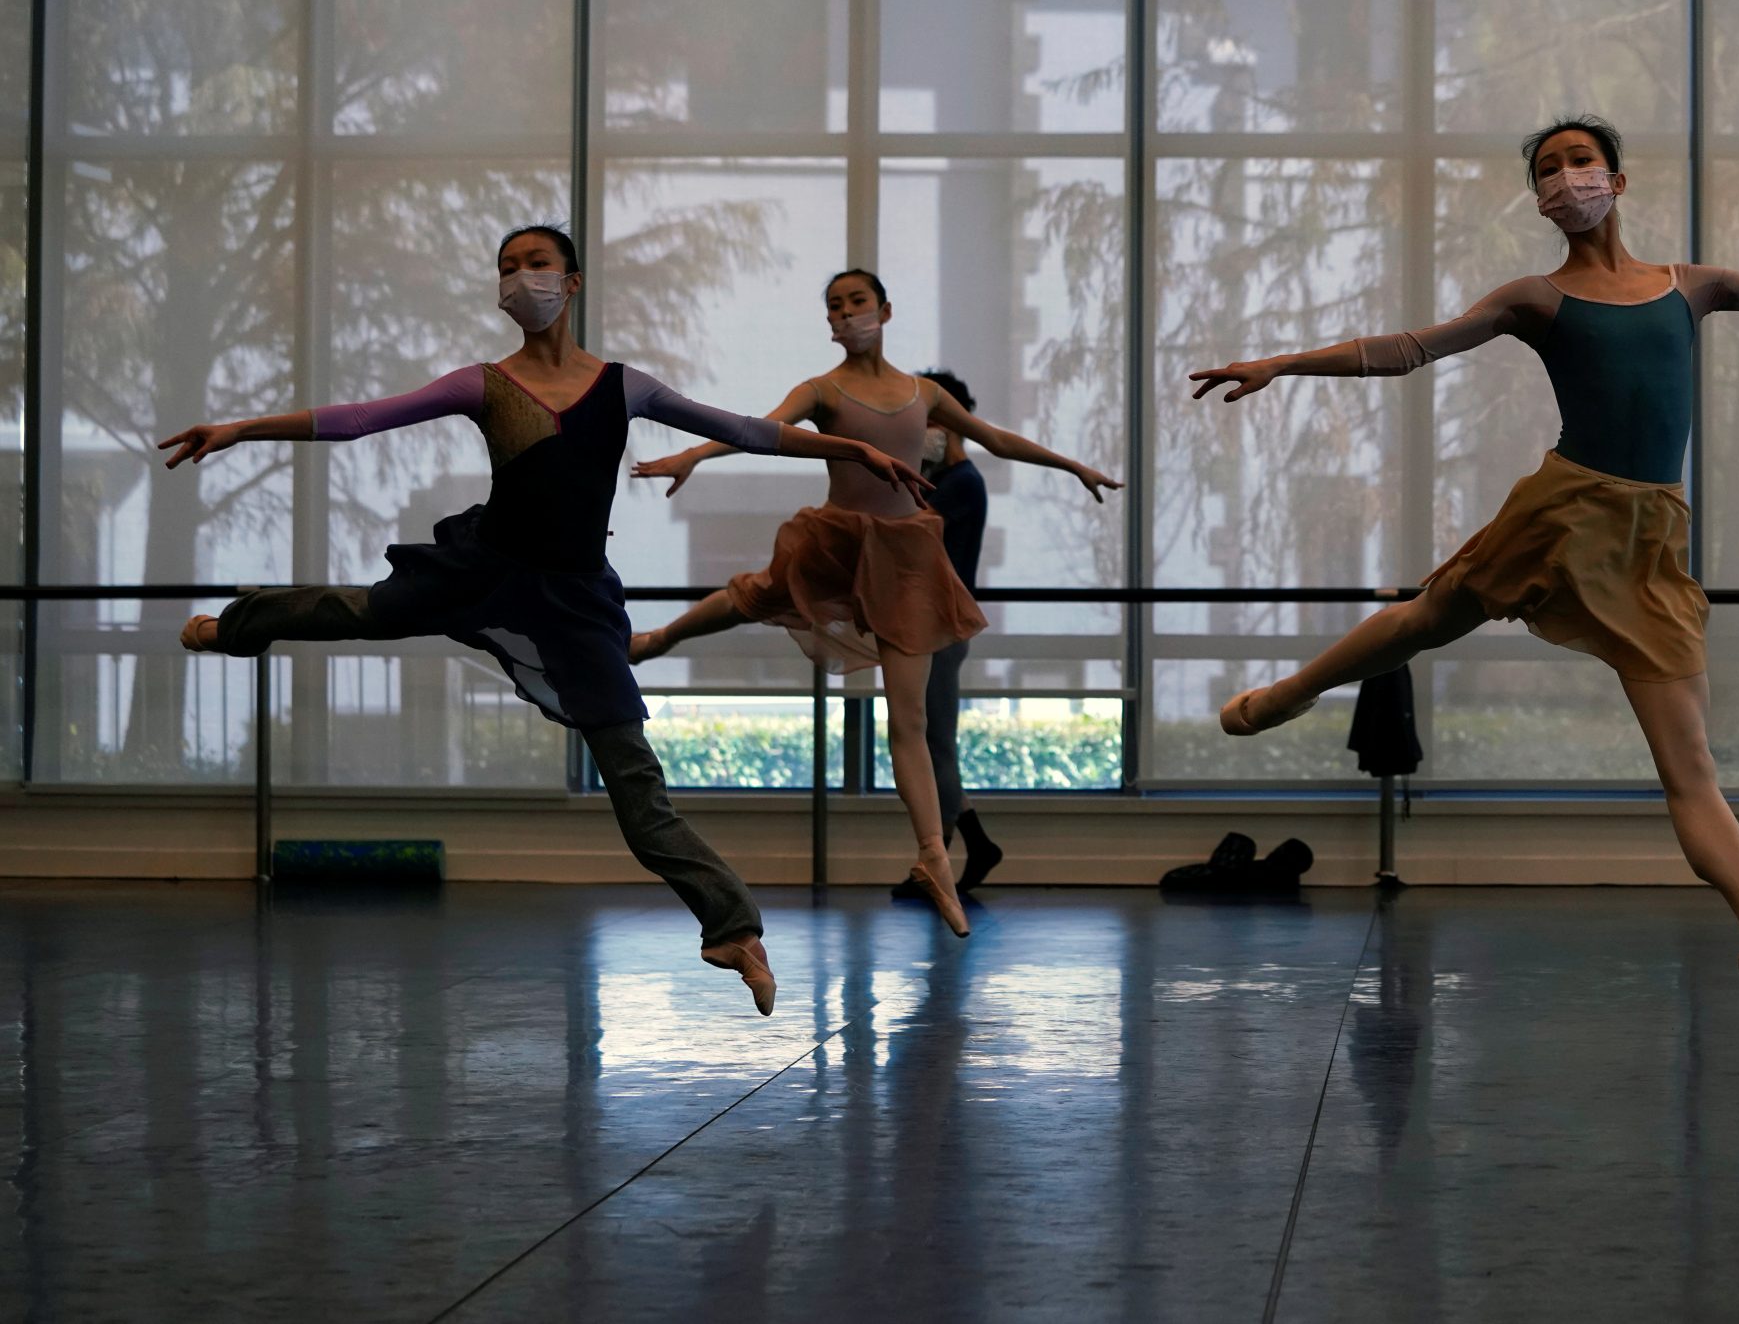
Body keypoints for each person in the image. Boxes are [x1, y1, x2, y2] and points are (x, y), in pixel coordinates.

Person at [1187, 115, 1739, 1061]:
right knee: (1431, 616)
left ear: (1617, 181)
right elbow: (1412, 348)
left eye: (1579, 163)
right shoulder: (1535, 299)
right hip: (1565, 508)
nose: (1565, 179)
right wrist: (1281, 362)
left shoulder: (1691, 285)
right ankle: (1285, 697)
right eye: (1547, 169)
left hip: (1650, 537)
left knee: (1692, 770)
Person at [157, 225, 932, 1017]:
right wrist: (240, 428)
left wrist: (855, 450)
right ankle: (237, 627)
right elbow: (361, 419)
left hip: (573, 601)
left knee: (636, 777)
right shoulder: (485, 384)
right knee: (358, 610)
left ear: (573, 282)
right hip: (483, 570)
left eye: (535, 264)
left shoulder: (623, 386)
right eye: (506, 268)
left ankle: (731, 929)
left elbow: (742, 429)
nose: (519, 279)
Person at [626, 270, 1119, 935]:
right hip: (838, 539)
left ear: (885, 310)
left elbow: (996, 438)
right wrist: (695, 455)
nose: (847, 313)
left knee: (909, 722)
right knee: (755, 595)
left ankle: (933, 859)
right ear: (829, 322)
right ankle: (659, 639)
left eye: (857, 301)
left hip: (907, 558)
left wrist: (1075, 467)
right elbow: (760, 429)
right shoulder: (823, 390)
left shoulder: (924, 393)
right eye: (835, 305)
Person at [911, 368, 1002, 894]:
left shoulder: (961, 484)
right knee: (930, 741)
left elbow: (908, 532)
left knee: (935, 744)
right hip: (931, 622)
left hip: (942, 625)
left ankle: (943, 861)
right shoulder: (945, 481)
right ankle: (950, 854)